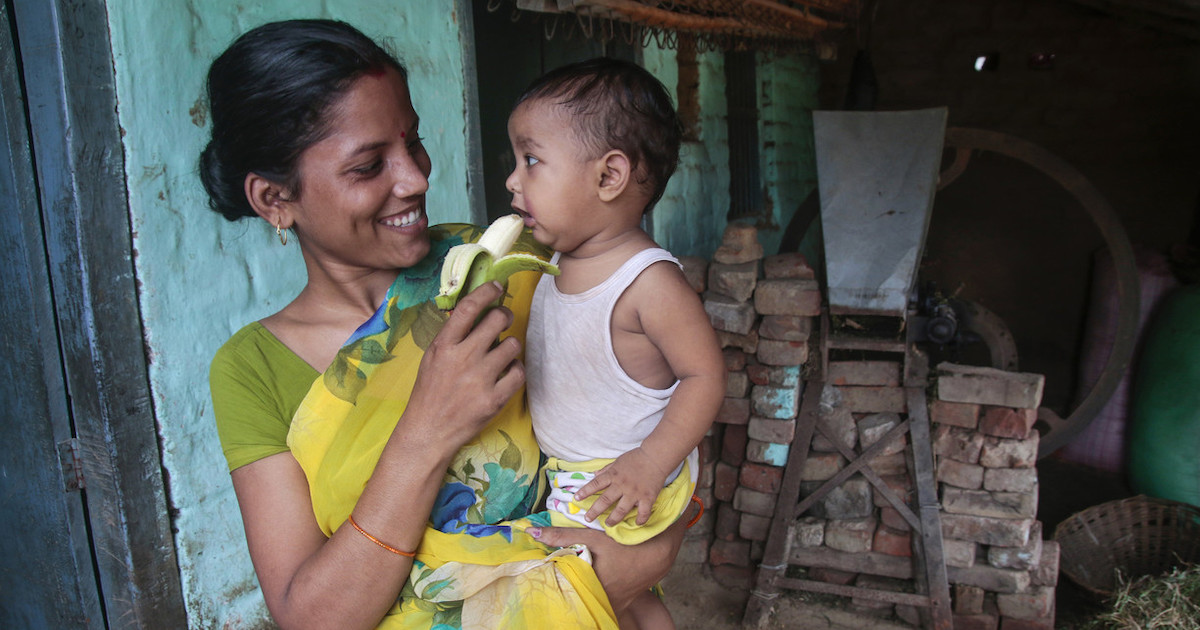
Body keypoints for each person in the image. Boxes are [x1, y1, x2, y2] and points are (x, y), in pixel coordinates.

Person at [202, 20, 686, 630]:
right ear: (275, 199)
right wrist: (427, 428)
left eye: (414, 144)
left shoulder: (506, 267)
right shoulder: (252, 370)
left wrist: (654, 551)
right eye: (368, 165)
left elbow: (655, 416)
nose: (415, 179)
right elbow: (312, 617)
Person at [506, 59, 726, 629]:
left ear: (609, 177)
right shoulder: (550, 264)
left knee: (581, 596)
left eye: (531, 160)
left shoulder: (648, 282)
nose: (512, 180)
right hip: (575, 472)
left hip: (623, 470)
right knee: (619, 597)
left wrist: (650, 463)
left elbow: (706, 377)